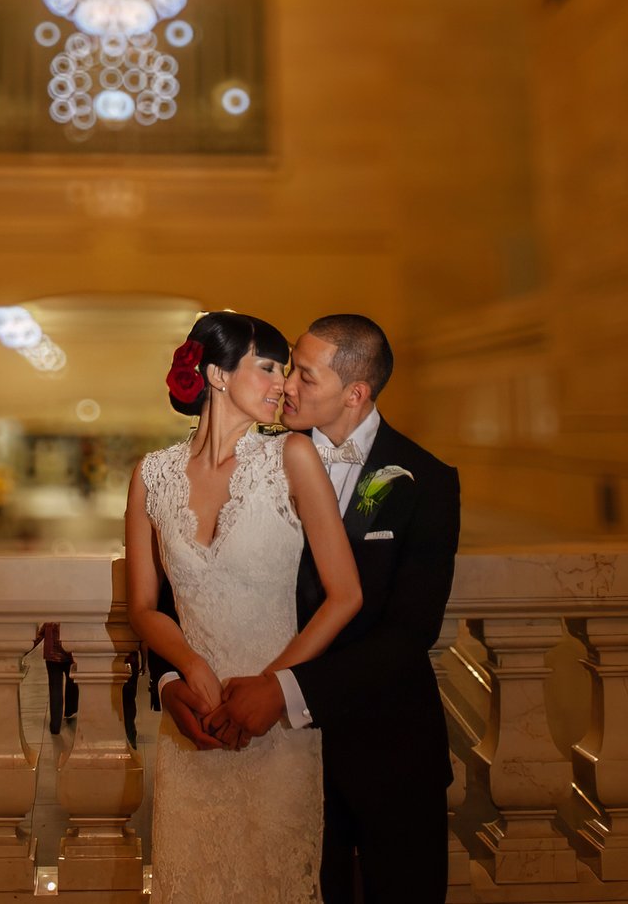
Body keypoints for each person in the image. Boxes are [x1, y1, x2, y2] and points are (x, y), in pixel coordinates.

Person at [158, 314, 461, 904]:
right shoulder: (248, 455)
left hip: (387, 753)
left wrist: (286, 689)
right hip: (265, 761)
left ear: (355, 393)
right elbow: (184, 583)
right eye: (288, 366)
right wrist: (170, 677)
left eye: (305, 374)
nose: (285, 385)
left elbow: (410, 630)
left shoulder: (427, 481)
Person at [125, 312, 362, 904]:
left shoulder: (292, 458)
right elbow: (143, 606)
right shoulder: (151, 475)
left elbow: (345, 595)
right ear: (217, 374)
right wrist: (188, 667)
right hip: (193, 727)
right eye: (268, 367)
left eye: (284, 370)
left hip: (274, 727)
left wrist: (273, 686)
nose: (282, 384)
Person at [34, 621, 77, 734]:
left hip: (52, 657)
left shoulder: (50, 618)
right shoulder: (70, 618)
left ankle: (55, 725)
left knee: (55, 689)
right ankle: (70, 711)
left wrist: (25, 650)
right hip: (70, 656)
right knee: (72, 683)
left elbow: (39, 635)